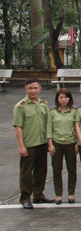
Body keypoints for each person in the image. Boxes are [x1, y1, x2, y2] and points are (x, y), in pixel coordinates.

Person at [13, 78, 52, 209]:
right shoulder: (21, 106)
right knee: (26, 173)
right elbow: (18, 127)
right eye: (30, 88)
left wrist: (49, 142)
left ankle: (38, 194)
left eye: (35, 88)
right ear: (26, 89)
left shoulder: (43, 104)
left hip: (41, 142)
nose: (33, 90)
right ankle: (25, 198)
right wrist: (21, 146)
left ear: (40, 89)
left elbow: (48, 123)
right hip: (29, 144)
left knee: (41, 171)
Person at [47, 88, 77, 205]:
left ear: (69, 99)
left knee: (72, 169)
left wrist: (77, 142)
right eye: (61, 97)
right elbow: (49, 129)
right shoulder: (52, 112)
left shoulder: (74, 112)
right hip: (57, 143)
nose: (63, 100)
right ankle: (58, 194)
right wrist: (50, 144)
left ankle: (71, 193)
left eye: (66, 97)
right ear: (57, 99)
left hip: (70, 143)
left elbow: (76, 128)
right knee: (57, 170)